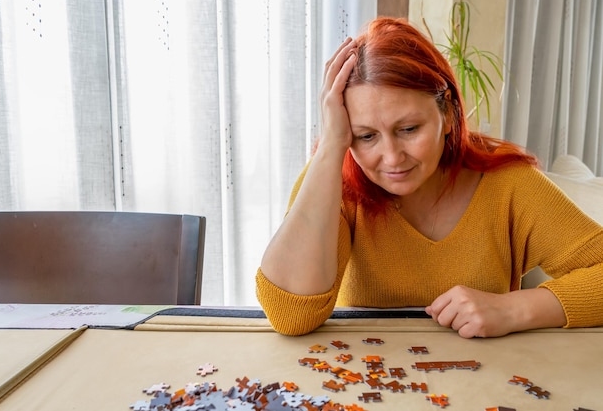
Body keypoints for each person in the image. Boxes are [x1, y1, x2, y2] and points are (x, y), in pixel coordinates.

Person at [255, 17, 603, 338]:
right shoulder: (333, 178)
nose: (391, 158)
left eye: (408, 129)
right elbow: (290, 315)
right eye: (366, 136)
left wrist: (514, 310)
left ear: (448, 112)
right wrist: (332, 145)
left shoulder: (508, 182)